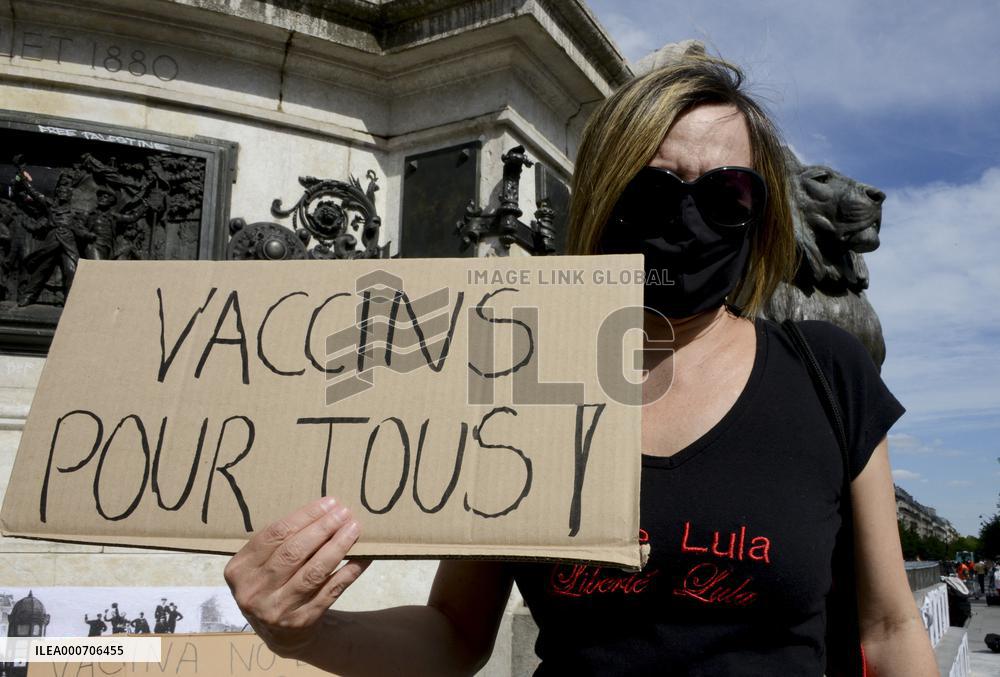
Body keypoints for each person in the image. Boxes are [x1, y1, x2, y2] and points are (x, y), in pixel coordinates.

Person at [224, 53, 937, 675]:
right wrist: (309, 631)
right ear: (605, 195)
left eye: (728, 195)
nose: (691, 220)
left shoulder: (827, 372)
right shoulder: (522, 376)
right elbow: (455, 633)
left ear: (762, 212)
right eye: (656, 191)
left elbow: (890, 624)